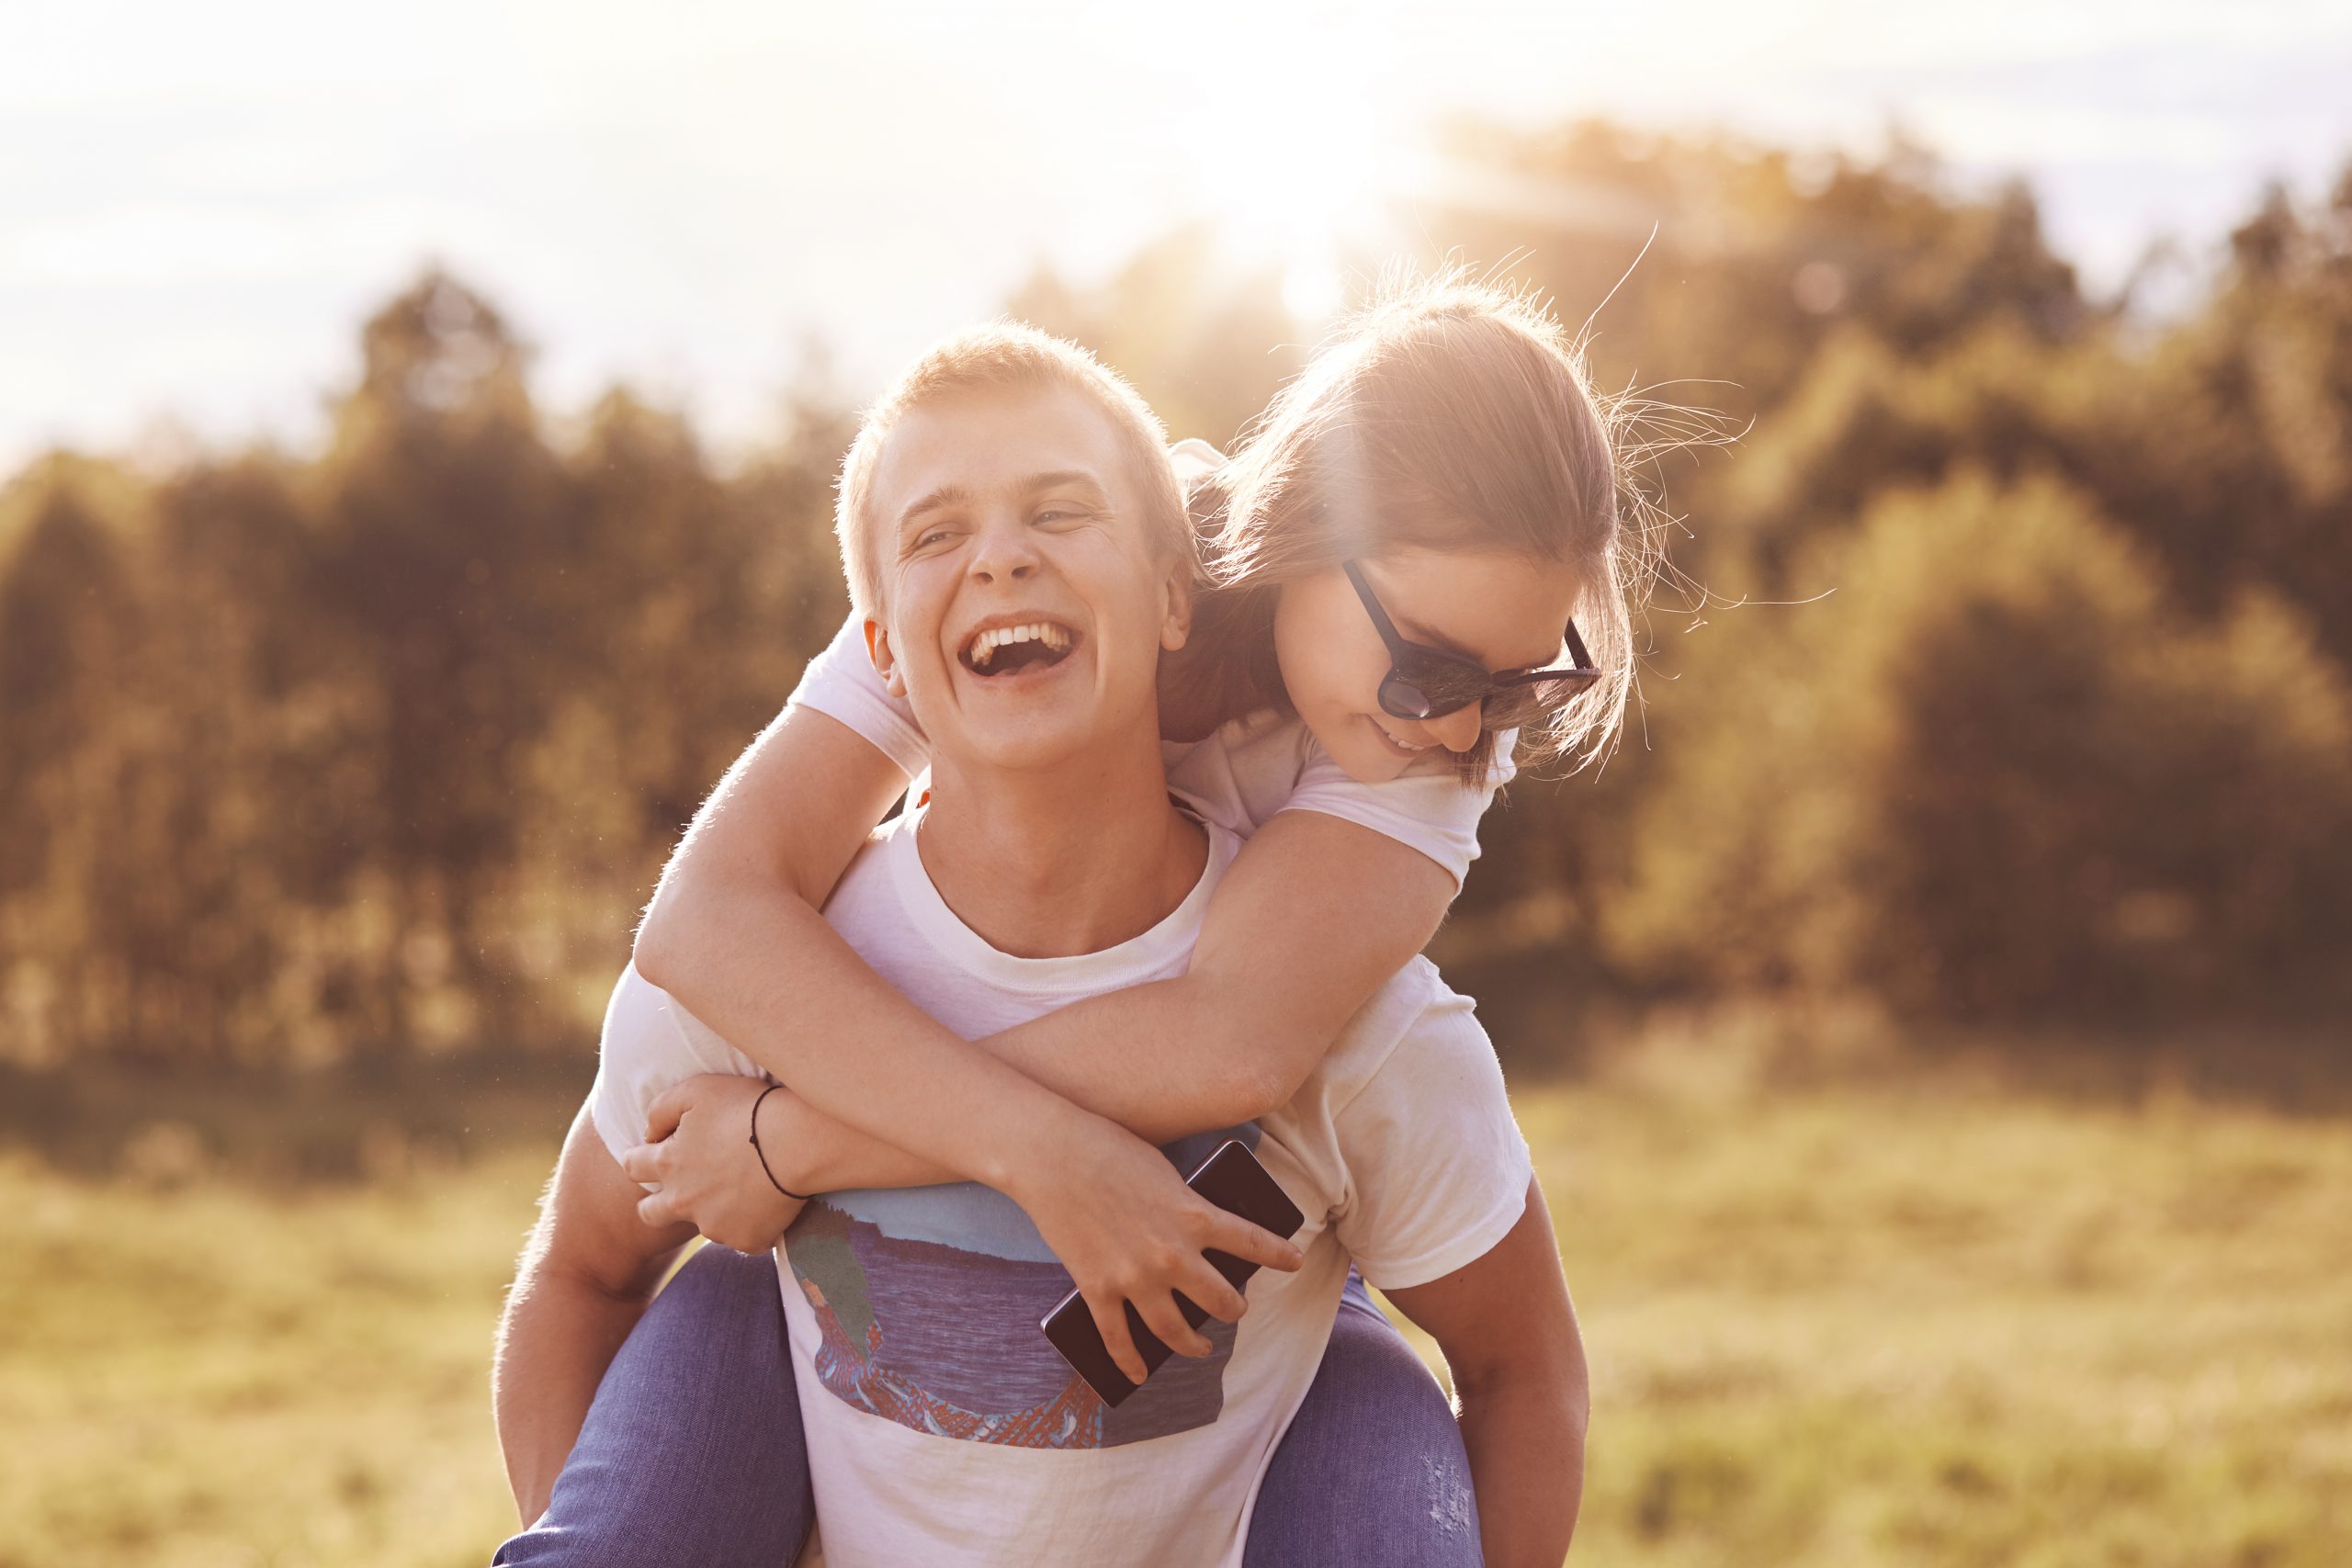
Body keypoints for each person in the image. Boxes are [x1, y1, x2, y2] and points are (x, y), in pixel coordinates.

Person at [492, 321, 1590, 1566]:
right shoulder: (1042, 550)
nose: (1466, 730)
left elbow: (1232, 1042)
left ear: (1171, 592)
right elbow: (700, 923)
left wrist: (791, 1141)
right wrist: (1038, 1149)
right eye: (1432, 668)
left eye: (1520, 686)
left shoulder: (1418, 799)